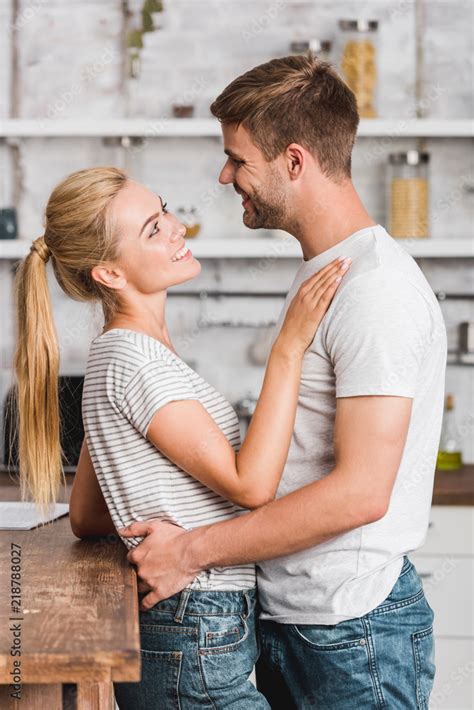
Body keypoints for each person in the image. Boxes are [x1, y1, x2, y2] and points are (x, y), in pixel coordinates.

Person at [118, 55, 448, 709]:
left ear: (294, 161)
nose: (225, 175)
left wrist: (192, 552)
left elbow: (359, 494)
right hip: (306, 620)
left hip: (354, 634)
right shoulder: (328, 271)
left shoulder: (376, 290)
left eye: (238, 159)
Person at [12, 165, 349, 708]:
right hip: (197, 624)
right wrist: (289, 345)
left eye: (163, 208)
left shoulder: (118, 354)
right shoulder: (136, 363)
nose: (177, 228)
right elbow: (251, 485)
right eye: (152, 229)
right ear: (110, 274)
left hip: (189, 620)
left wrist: (167, 517)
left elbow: (89, 516)